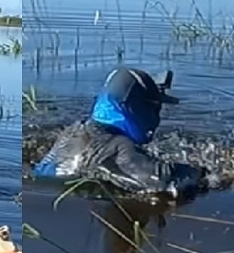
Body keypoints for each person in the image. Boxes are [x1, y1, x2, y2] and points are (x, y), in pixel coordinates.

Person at [33, 67, 207, 198]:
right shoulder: (119, 147)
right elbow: (163, 183)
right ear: (138, 108)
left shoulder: (74, 130)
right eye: (155, 107)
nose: (157, 115)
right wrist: (204, 173)